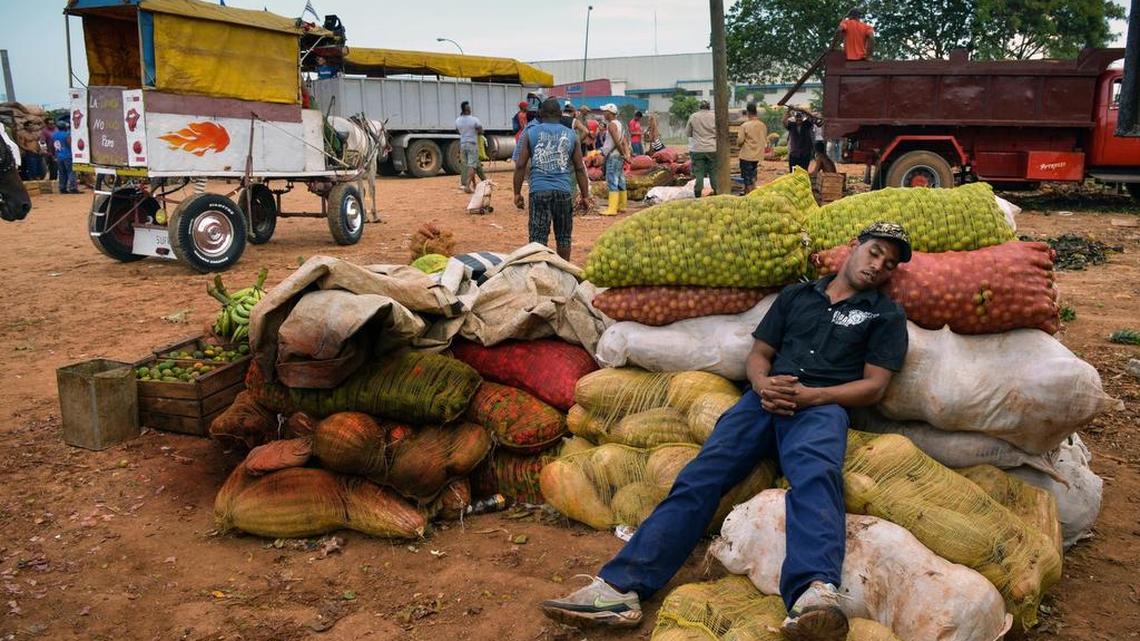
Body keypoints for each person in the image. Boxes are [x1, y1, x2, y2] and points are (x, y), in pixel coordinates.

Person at [540, 222, 913, 641]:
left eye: (889, 263)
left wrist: (811, 397)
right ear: (854, 247)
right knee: (701, 476)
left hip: (820, 408)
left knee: (816, 477)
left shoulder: (884, 314)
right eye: (875, 252)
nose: (878, 265)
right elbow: (759, 355)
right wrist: (761, 384)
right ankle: (620, 590)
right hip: (763, 401)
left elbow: (874, 386)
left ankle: (814, 594)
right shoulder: (796, 296)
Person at [513, 98, 591, 261]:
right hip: (564, 191)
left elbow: (520, 165)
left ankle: (539, 273)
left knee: (538, 238)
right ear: (559, 114)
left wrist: (517, 193)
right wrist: (585, 196)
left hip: (539, 191)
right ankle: (564, 273)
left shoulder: (530, 132)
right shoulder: (571, 135)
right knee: (563, 237)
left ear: (541, 113)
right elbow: (579, 168)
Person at [599, 103, 630, 216]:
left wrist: (622, 154)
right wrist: (626, 154)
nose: (603, 114)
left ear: (610, 113)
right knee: (620, 180)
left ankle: (612, 208)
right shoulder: (620, 124)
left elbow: (617, 142)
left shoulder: (611, 125)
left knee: (612, 180)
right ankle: (622, 206)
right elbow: (624, 140)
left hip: (613, 156)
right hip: (618, 155)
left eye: (605, 112)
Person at [686, 100, 717, 198]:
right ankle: (717, 191)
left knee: (699, 173)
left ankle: (698, 193)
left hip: (697, 149)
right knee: (713, 172)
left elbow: (688, 133)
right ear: (709, 107)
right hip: (712, 148)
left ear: (700, 107)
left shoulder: (693, 116)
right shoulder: (714, 116)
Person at [737, 102, 768, 193]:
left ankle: (750, 197)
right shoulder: (762, 125)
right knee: (753, 177)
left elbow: (740, 141)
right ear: (756, 112)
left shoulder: (745, 125)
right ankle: (752, 193)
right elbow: (764, 138)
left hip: (746, 156)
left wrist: (739, 145)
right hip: (758, 156)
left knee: (747, 179)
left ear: (748, 112)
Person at [455, 101, 486, 193]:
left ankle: (477, 182)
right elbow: (481, 131)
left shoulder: (458, 120)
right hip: (472, 143)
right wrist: (474, 131)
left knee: (467, 165)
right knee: (472, 165)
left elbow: (457, 130)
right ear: (468, 109)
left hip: (463, 144)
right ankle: (467, 186)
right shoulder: (474, 119)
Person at [785, 105, 821, 173]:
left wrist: (803, 110)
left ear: (802, 118)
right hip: (794, 153)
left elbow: (812, 117)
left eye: (800, 117)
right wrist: (788, 111)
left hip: (805, 153)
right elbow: (784, 122)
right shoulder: (792, 125)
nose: (798, 119)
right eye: (797, 118)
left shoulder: (807, 124)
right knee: (793, 173)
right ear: (795, 118)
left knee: (803, 172)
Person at [52, 120, 79, 194]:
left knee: (62, 172)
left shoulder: (54, 135)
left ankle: (62, 188)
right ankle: (73, 188)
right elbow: (70, 144)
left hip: (59, 156)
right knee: (71, 172)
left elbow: (52, 145)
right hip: (68, 155)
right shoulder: (67, 134)